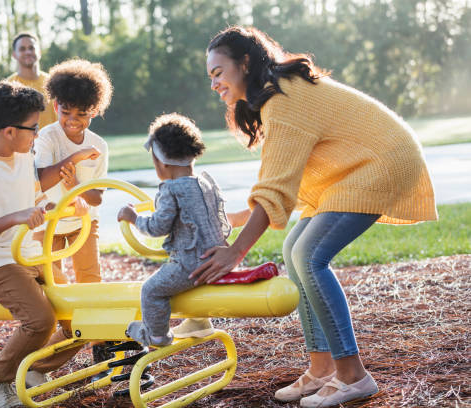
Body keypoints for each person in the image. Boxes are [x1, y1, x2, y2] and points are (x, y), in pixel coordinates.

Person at [192, 26, 438, 408]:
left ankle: (354, 376)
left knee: (309, 255)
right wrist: (234, 219)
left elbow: (275, 191)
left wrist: (235, 253)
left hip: (384, 161)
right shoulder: (278, 94)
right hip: (359, 166)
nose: (214, 84)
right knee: (294, 249)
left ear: (243, 63)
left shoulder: (283, 98)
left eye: (217, 72)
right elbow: (279, 183)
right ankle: (322, 368)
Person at [0, 81, 87, 408]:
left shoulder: (24, 158)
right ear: (9, 131)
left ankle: (32, 371)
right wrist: (17, 217)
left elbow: (37, 203)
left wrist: (69, 206)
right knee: (40, 320)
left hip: (30, 254)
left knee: (81, 317)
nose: (37, 134)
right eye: (33, 128)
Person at [118, 113, 232, 347]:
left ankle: (157, 335)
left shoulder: (170, 189)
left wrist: (133, 218)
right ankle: (199, 321)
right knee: (167, 275)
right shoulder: (205, 182)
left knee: (151, 290)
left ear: (162, 162)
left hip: (192, 264)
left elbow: (157, 227)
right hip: (217, 257)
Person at [33, 58, 113, 375]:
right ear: (56, 105)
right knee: (60, 297)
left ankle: (102, 350)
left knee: (91, 286)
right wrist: (76, 157)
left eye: (82, 114)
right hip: (50, 224)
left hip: (83, 224)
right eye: (66, 112)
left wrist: (76, 187)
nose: (73, 120)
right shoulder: (48, 138)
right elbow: (42, 180)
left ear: (94, 111)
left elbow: (96, 196)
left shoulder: (100, 145)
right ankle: (40, 362)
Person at [7, 32, 57, 130]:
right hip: (22, 144)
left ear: (39, 52)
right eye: (22, 49)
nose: (28, 52)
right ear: (14, 55)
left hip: (53, 144)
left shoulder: (53, 83)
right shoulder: (8, 87)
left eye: (31, 48)